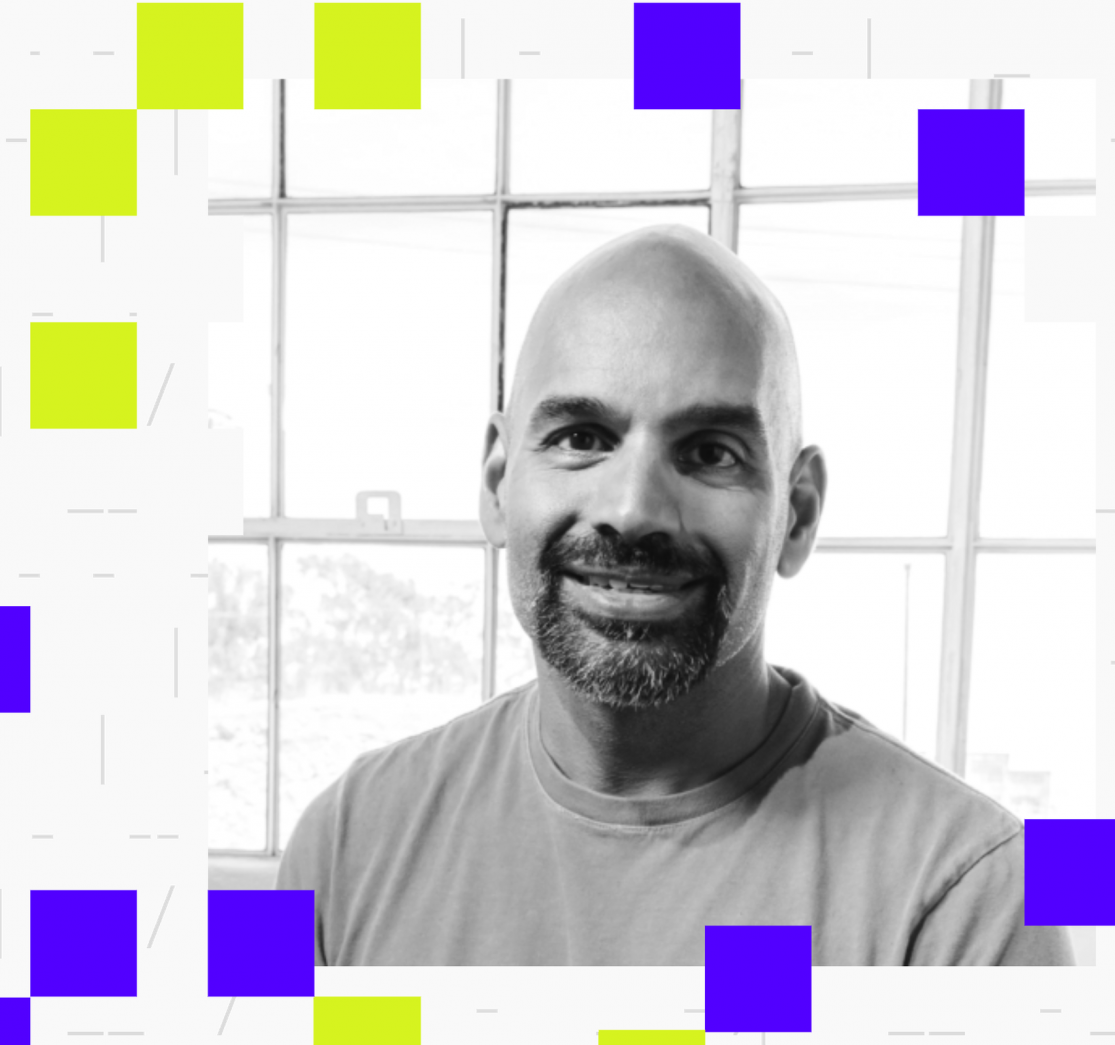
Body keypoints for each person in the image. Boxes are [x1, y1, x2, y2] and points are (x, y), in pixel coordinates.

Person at [276, 225, 1074, 967]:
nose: (632, 511)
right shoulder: (335, 848)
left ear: (797, 515)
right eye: (582, 438)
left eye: (710, 452)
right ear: (496, 484)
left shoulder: (974, 898)